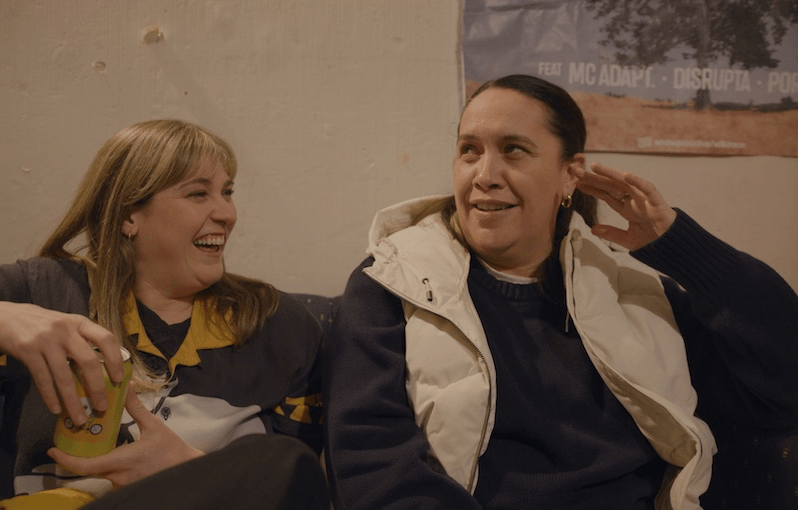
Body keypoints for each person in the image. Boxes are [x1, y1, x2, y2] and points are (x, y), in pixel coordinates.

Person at [323, 74, 798, 510]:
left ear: (569, 174)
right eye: (469, 149)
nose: (484, 174)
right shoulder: (390, 284)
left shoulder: (637, 295)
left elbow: (781, 388)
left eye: (513, 150)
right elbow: (372, 462)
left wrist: (683, 249)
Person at [0, 119, 328, 509]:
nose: (227, 213)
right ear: (130, 215)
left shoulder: (280, 324)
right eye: (198, 193)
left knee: (281, 462)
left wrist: (187, 472)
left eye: (227, 192)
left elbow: (292, 490)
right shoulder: (40, 289)